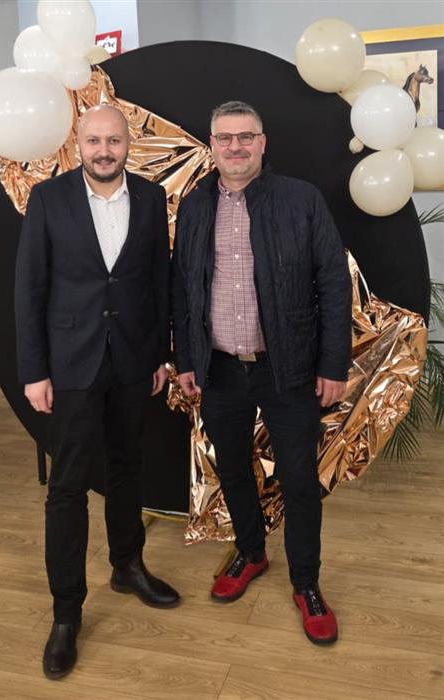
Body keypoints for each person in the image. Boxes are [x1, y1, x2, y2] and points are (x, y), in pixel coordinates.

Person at [171, 100, 351, 645]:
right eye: (225, 138)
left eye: (245, 136)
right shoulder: (195, 206)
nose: (236, 146)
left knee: (299, 482)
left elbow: (333, 283)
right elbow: (182, 289)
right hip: (220, 368)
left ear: (262, 143)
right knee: (233, 469)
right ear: (212, 145)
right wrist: (186, 359)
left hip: (287, 367)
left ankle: (307, 583)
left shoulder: (301, 199)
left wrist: (332, 363)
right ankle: (251, 552)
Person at [15, 105, 180, 680]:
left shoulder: (151, 198)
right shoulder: (48, 199)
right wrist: (34, 371)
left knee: (127, 467)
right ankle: (66, 613)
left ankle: (127, 566)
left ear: (128, 144)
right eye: (93, 140)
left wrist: (160, 353)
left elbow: (158, 279)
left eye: (113, 140)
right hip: (70, 364)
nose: (104, 150)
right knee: (67, 487)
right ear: (78, 144)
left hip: (133, 360)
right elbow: (29, 288)